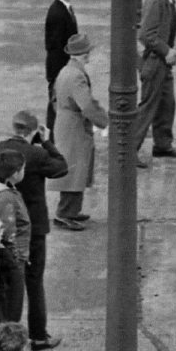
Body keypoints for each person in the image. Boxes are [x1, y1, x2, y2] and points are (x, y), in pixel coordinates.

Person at [9, 111, 66, 350]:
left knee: (9, 283)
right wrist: (46, 141)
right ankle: (38, 335)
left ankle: (7, 337)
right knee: (34, 281)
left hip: (7, 223)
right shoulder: (37, 153)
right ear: (33, 131)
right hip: (34, 226)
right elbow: (61, 167)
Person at [135, 0, 176, 166]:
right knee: (148, 107)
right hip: (155, 61)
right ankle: (130, 149)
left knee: (167, 104)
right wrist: (166, 50)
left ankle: (162, 145)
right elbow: (145, 34)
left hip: (162, 64)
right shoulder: (157, 0)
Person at [53, 33, 108, 228]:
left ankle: (71, 210)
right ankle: (65, 213)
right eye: (86, 52)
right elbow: (87, 105)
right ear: (80, 54)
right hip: (74, 127)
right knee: (74, 170)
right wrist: (104, 122)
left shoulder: (66, 71)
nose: (89, 55)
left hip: (66, 123)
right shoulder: (76, 75)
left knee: (76, 168)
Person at [0, 143, 30, 326]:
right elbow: (8, 236)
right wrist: (18, 262)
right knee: (11, 313)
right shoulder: (6, 198)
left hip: (6, 262)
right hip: (10, 265)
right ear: (15, 173)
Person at [44, 0, 79, 137]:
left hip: (62, 69)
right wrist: (62, 74)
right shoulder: (58, 14)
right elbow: (56, 48)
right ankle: (51, 140)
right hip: (59, 69)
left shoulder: (65, 9)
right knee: (56, 107)